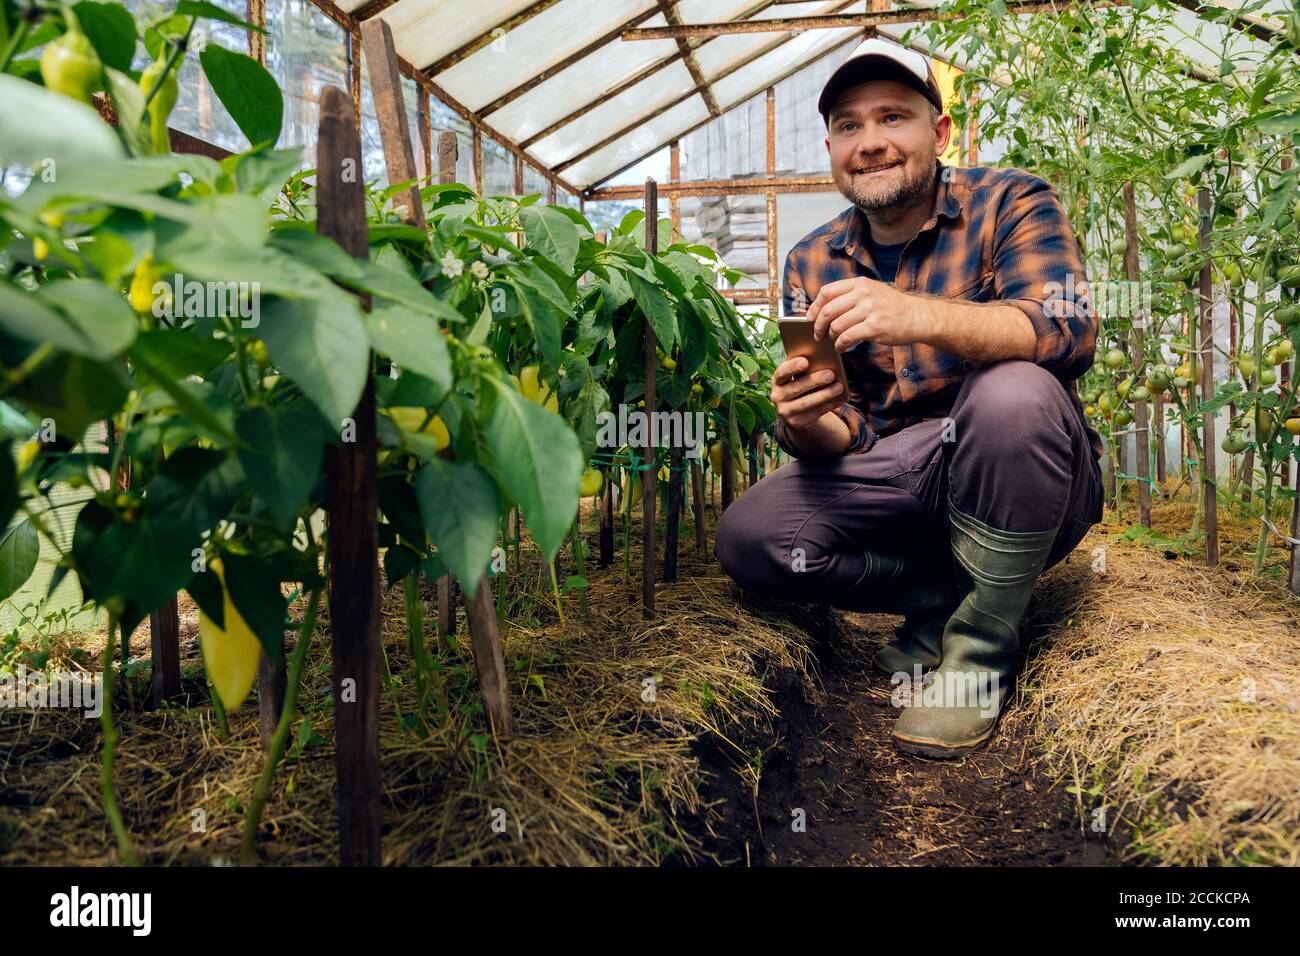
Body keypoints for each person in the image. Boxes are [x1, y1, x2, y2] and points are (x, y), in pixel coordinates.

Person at [714, 38, 1104, 759]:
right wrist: (807, 421)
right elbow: (851, 432)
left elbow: (1071, 328)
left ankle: (978, 657)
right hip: (903, 476)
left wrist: (915, 312)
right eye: (850, 126)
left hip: (1022, 469)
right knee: (752, 537)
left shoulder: (1012, 201)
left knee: (1013, 394)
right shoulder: (811, 259)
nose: (871, 143)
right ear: (831, 145)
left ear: (940, 131)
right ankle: (942, 595)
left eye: (894, 117)